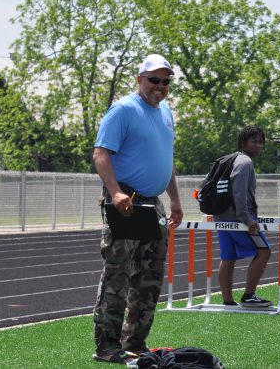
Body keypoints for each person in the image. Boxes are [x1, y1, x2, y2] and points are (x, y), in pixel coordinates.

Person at [91, 54, 184, 364]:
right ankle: (107, 346)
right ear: (139, 79)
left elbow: (166, 161)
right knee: (117, 276)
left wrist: (175, 199)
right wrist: (115, 193)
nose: (160, 86)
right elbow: (101, 154)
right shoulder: (123, 110)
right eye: (154, 79)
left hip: (153, 203)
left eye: (165, 81)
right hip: (126, 202)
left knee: (150, 277)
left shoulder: (166, 112)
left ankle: (135, 343)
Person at [214, 126, 273, 308]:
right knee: (264, 251)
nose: (258, 146)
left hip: (221, 217)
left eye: (261, 142)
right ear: (243, 143)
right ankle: (249, 295)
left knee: (228, 257)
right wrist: (247, 219)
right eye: (254, 141)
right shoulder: (245, 162)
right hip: (237, 219)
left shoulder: (228, 159)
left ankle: (227, 300)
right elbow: (239, 193)